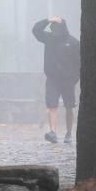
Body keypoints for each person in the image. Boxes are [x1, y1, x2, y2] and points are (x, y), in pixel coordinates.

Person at [32, 16, 80, 144]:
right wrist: (47, 20)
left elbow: (79, 63)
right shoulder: (49, 39)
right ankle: (53, 132)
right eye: (52, 26)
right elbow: (36, 30)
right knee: (51, 104)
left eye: (55, 26)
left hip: (68, 80)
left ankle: (69, 133)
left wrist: (74, 79)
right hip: (53, 79)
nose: (53, 29)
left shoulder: (73, 42)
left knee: (69, 106)